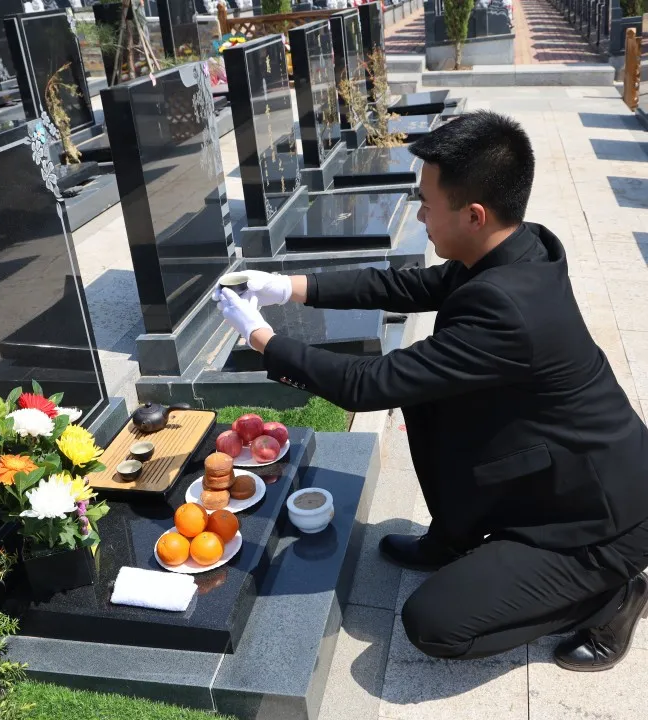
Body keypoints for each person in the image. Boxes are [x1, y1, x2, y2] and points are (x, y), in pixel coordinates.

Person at [213, 110, 648, 671]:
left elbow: (366, 384)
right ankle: (454, 536)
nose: (418, 215)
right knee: (426, 396)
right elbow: (405, 283)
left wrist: (261, 338)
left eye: (425, 203)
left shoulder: (509, 308)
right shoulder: (517, 247)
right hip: (561, 465)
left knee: (433, 624)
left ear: (473, 214)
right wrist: (289, 287)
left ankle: (612, 592)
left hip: (602, 520)